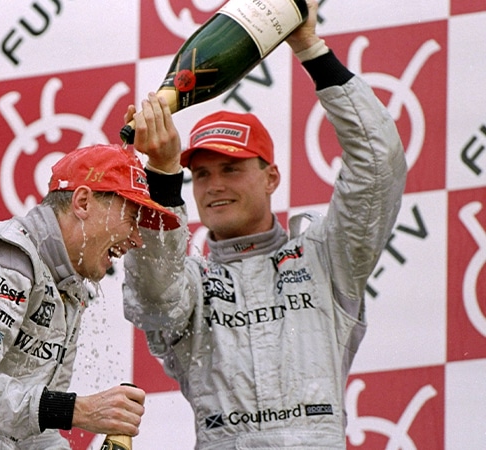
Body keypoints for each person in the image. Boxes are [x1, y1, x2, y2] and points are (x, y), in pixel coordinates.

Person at [122, 0, 408, 448]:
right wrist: (161, 173)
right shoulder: (191, 282)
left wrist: (311, 47)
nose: (214, 185)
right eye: (201, 174)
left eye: (231, 169)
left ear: (272, 177)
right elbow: (153, 298)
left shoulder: (325, 257)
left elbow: (378, 165)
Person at [0, 143, 180, 449]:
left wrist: (63, 414)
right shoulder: (7, 257)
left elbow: (35, 430)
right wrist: (75, 410)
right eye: (131, 218)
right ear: (82, 202)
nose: (136, 239)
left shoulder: (68, 289)